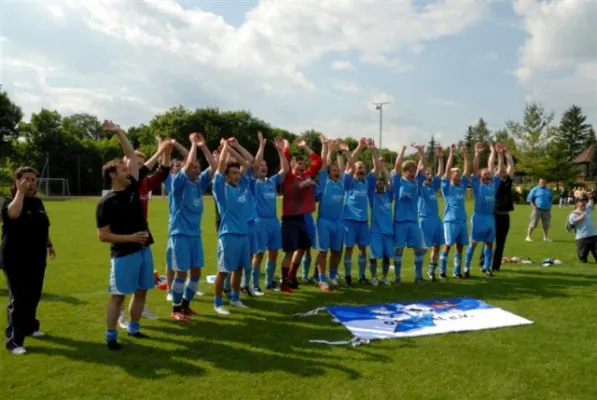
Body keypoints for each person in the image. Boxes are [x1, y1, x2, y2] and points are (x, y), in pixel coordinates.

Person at [96, 120, 155, 350]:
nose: (128, 171)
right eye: (122, 169)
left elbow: (130, 153)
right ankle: (111, 336)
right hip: (123, 254)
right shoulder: (106, 202)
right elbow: (102, 235)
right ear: (112, 175)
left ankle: (134, 327)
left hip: (143, 249)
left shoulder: (132, 187)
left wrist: (120, 132)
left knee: (142, 292)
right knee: (118, 297)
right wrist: (131, 238)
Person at [117, 138, 172, 328]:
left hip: (142, 234)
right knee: (124, 280)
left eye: (142, 163)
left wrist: (165, 151)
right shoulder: (124, 186)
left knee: (142, 277)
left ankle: (139, 308)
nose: (140, 168)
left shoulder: (145, 184)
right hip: (125, 237)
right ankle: (120, 314)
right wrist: (159, 150)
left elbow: (163, 172)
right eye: (136, 164)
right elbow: (144, 172)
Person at [1, 167, 56, 355]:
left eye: (33, 180)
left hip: (36, 257)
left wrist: (49, 245)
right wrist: (21, 194)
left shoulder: (38, 202)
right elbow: (13, 214)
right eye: (26, 180)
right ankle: (14, 341)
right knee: (18, 299)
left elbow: (44, 225)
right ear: (17, 182)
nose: (31, 183)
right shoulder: (9, 202)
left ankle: (31, 326)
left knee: (33, 295)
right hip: (14, 258)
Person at [167, 133, 216, 322]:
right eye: (193, 167)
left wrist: (203, 146)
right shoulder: (178, 184)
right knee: (182, 273)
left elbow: (214, 167)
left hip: (195, 235)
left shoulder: (199, 184)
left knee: (196, 273)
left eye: (197, 167)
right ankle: (175, 308)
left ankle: (186, 306)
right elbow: (187, 165)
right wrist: (192, 145)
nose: (196, 169)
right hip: (180, 234)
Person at [212, 140, 251, 315]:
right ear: (226, 176)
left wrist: (234, 146)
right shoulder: (221, 189)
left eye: (237, 173)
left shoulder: (242, 187)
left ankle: (235, 298)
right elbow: (220, 166)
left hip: (243, 234)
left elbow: (246, 163)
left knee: (239, 268)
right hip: (228, 236)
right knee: (223, 271)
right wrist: (225, 147)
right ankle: (218, 303)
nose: (236, 175)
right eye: (233, 173)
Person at [280, 139, 322, 292]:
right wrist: (285, 146)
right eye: (298, 165)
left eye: (303, 165)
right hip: (289, 219)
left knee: (304, 248)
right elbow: (284, 160)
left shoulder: (308, 177)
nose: (302, 167)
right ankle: (284, 282)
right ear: (292, 166)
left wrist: (305, 147)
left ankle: (291, 276)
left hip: (302, 219)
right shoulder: (288, 178)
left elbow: (317, 161)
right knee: (289, 251)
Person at [252, 135, 289, 293]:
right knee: (259, 254)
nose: (263, 167)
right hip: (260, 222)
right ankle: (254, 285)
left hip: (273, 221)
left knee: (273, 252)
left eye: (265, 165)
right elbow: (254, 167)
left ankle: (268, 282)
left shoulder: (271, 181)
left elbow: (285, 170)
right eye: (261, 165)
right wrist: (261, 146)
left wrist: (280, 151)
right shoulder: (254, 183)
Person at [314, 136, 350, 292]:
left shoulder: (342, 183)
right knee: (322, 252)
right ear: (328, 173)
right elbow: (323, 162)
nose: (337, 172)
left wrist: (341, 152)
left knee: (337, 251)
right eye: (333, 170)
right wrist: (326, 146)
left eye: (337, 170)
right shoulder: (324, 181)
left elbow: (344, 168)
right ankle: (321, 280)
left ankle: (333, 277)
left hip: (338, 223)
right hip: (324, 222)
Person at [463, 143, 502, 277]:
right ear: (480, 177)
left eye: (488, 174)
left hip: (490, 218)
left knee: (490, 243)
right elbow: (474, 169)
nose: (487, 175)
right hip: (479, 217)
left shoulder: (494, 184)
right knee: (473, 243)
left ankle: (486, 267)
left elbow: (499, 168)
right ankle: (466, 267)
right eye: (485, 174)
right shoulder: (476, 184)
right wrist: (477, 154)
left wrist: (497, 153)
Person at [392, 144, 427, 284]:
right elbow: (397, 164)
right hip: (400, 222)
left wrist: (420, 151)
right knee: (399, 250)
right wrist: (402, 150)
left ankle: (418, 277)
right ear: (404, 171)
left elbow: (423, 164)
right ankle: (398, 278)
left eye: (414, 170)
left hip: (413, 221)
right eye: (410, 171)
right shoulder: (398, 182)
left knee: (418, 250)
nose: (413, 173)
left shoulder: (417, 183)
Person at [479, 144, 515, 272]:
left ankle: (496, 266)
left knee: (501, 243)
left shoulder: (508, 181)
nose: (501, 170)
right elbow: (491, 165)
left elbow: (511, 165)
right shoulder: (494, 181)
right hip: (493, 214)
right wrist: (494, 152)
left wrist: (506, 152)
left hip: (505, 216)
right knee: (488, 240)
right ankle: (483, 264)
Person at [342, 138, 371, 286]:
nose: (360, 169)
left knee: (362, 250)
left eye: (362, 167)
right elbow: (350, 166)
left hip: (363, 222)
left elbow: (377, 170)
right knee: (348, 249)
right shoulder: (348, 182)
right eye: (358, 167)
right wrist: (358, 147)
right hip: (349, 221)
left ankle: (361, 276)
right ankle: (347, 276)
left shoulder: (366, 182)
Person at [440, 144, 471, 279]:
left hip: (461, 221)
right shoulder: (446, 187)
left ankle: (456, 271)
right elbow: (446, 172)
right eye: (455, 174)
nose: (458, 176)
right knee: (447, 245)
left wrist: (465, 153)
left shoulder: (462, 186)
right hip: (450, 221)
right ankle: (442, 271)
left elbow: (468, 170)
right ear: (451, 175)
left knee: (459, 247)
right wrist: (451, 153)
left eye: (459, 174)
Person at [417, 146, 444, 281]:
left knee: (437, 246)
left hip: (436, 220)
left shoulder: (433, 187)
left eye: (430, 174)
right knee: (423, 248)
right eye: (427, 174)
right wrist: (421, 154)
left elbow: (440, 173)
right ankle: (418, 274)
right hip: (425, 220)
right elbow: (420, 171)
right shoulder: (419, 187)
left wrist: (440, 157)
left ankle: (431, 271)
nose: (429, 175)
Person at [368, 150, 393, 287]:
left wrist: (383, 167)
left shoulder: (388, 195)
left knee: (387, 256)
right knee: (373, 256)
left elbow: (391, 181)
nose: (380, 184)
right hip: (376, 231)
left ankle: (384, 277)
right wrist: (376, 160)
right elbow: (372, 177)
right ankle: (373, 277)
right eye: (378, 183)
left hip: (388, 231)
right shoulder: (373, 197)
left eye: (382, 183)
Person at [568, 197, 597, 263]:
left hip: (593, 235)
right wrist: (579, 218)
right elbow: (570, 223)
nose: (583, 207)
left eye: (584, 205)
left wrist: (591, 197)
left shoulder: (587, 209)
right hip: (582, 237)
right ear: (577, 205)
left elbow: (591, 203)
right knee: (582, 258)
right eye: (581, 206)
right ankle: (583, 256)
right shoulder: (573, 214)